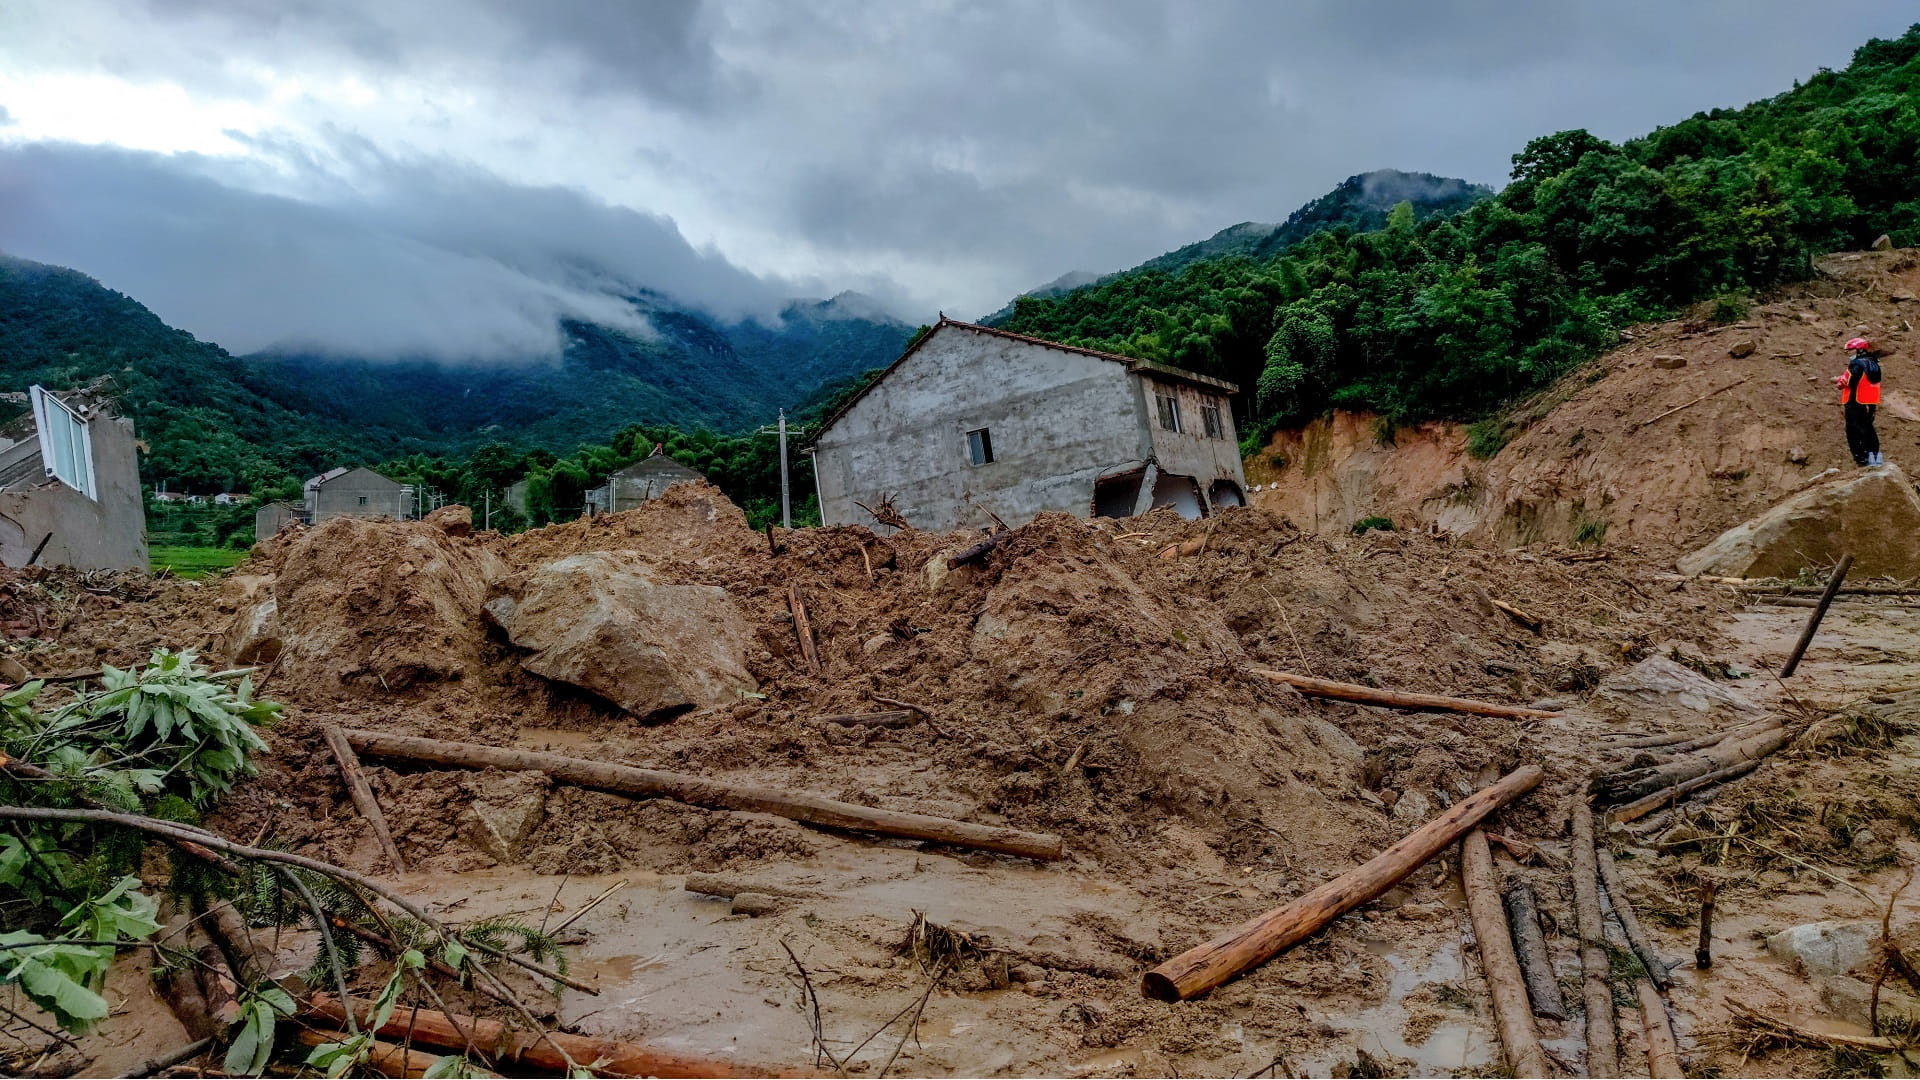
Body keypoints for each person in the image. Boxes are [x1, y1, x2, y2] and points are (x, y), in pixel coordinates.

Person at [1834, 336, 1885, 467]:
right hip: (1870, 403)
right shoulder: (1874, 364)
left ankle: (1861, 459)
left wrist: (1838, 381)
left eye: (1851, 350)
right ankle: (1875, 457)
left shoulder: (1856, 364)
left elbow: (1846, 381)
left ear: (1860, 350)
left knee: (1853, 431)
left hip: (1855, 402)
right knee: (1868, 429)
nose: (1848, 354)